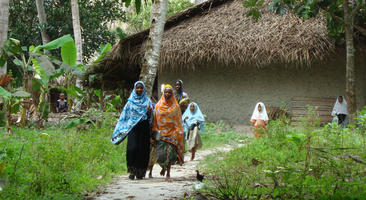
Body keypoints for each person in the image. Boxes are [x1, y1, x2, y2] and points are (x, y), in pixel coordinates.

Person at [111, 81, 153, 180]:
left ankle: (140, 172)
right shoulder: (130, 102)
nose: (139, 90)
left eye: (141, 88)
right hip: (133, 128)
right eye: (137, 88)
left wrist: (149, 113)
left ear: (143, 89)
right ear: (134, 89)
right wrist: (121, 129)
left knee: (143, 150)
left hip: (144, 128)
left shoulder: (147, 102)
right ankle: (132, 171)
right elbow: (124, 116)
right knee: (132, 149)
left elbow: (151, 118)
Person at [153, 84, 184, 181]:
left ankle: (168, 174)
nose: (167, 94)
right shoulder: (158, 106)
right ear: (163, 93)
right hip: (161, 133)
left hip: (172, 133)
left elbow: (178, 120)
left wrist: (178, 132)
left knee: (170, 155)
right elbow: (155, 120)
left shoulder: (176, 107)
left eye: (169, 92)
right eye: (166, 92)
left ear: (172, 94)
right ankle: (164, 167)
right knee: (160, 156)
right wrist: (154, 131)